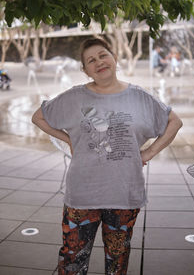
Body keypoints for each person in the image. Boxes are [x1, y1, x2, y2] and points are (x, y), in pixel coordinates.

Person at [32, 38, 182, 275]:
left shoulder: (140, 96)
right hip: (82, 196)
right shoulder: (74, 97)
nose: (99, 62)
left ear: (114, 58)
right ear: (85, 70)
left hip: (124, 195)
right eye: (91, 60)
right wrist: (69, 139)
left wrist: (150, 152)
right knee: (73, 261)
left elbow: (174, 122)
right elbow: (38, 117)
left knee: (117, 263)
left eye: (103, 55)